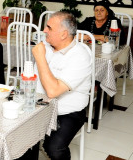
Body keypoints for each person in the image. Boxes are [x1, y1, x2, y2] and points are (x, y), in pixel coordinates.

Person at [32, 12, 92, 160]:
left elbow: (53, 91)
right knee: (20, 137)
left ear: (64, 34)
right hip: (38, 107)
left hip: (67, 111)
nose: (44, 30)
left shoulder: (80, 55)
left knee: (54, 148)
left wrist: (40, 58)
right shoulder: (46, 46)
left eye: (49, 28)